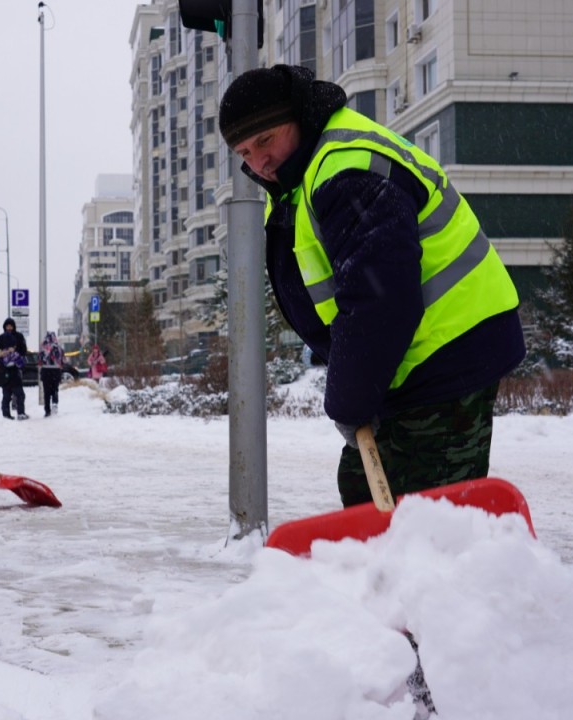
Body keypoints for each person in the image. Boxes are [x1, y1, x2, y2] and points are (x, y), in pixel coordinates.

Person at [218, 65, 525, 507]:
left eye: (266, 140)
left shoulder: (345, 170)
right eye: (245, 153)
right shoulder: (306, 174)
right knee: (367, 491)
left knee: (422, 513)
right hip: (411, 359)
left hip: (445, 356)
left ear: (299, 118)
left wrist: (349, 401)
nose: (258, 163)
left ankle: (436, 575)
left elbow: (378, 299)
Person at [0, 318, 28, 420]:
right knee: (8, 394)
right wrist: (3, 354)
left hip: (14, 370)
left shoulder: (19, 336)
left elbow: (23, 350)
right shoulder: (1, 338)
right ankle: (7, 414)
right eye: (7, 326)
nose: (9, 328)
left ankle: (19, 413)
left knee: (17, 393)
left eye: (10, 326)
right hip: (6, 371)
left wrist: (15, 353)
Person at [39, 331, 64, 417]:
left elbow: (40, 360)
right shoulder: (58, 348)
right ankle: (54, 404)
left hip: (46, 371)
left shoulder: (43, 348)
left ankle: (47, 410)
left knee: (47, 392)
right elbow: (62, 360)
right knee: (55, 389)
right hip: (55, 371)